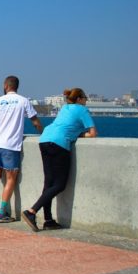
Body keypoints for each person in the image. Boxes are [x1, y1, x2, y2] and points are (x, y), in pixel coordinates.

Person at [21, 88, 97, 232]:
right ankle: (31, 212)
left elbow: (67, 125)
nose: (86, 100)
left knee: (49, 183)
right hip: (59, 143)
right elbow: (93, 133)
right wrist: (79, 135)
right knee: (60, 184)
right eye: (85, 97)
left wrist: (74, 132)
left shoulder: (65, 108)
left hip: (45, 139)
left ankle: (48, 220)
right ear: (80, 99)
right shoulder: (82, 110)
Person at [0, 76, 43, 222]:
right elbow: (35, 121)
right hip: (10, 146)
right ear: (17, 86)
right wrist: (43, 132)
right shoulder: (23, 100)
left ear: (5, 85)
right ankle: (2, 213)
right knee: (11, 179)